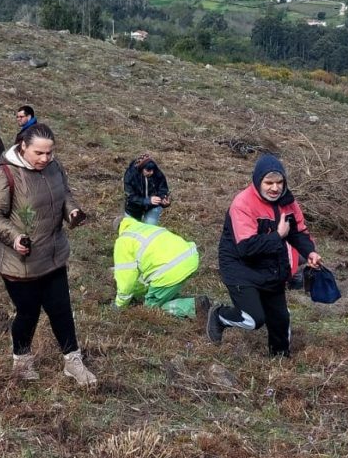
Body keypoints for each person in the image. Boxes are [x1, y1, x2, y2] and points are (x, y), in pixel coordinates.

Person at [0, 124, 96, 386]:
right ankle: (22, 361)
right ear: (23, 147)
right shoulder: (3, 174)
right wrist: (15, 238)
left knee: (61, 310)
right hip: (20, 261)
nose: (45, 158)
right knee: (28, 312)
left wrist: (72, 212)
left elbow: (64, 194)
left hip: (53, 253)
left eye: (49, 152)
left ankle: (73, 362)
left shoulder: (54, 167)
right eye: (39, 153)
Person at [206, 153, 322, 357]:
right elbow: (246, 248)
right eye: (269, 183)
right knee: (253, 319)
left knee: (280, 319)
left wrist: (309, 251)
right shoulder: (242, 204)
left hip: (271, 266)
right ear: (258, 181)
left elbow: (298, 232)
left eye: (279, 182)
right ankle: (220, 316)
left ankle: (279, 359)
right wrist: (278, 236)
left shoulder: (288, 202)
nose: (275, 188)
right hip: (240, 267)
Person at [113, 213, 200, 319]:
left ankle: (194, 307)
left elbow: (126, 281)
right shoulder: (145, 227)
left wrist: (119, 305)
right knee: (164, 292)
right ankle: (190, 301)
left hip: (170, 270)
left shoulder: (123, 241)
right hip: (189, 258)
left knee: (150, 309)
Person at [123, 154, 170, 226]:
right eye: (148, 170)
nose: (151, 172)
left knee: (150, 227)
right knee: (131, 228)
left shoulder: (158, 173)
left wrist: (163, 199)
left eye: (152, 170)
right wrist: (147, 201)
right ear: (141, 169)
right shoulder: (130, 175)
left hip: (153, 207)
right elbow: (130, 196)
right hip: (133, 207)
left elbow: (163, 189)